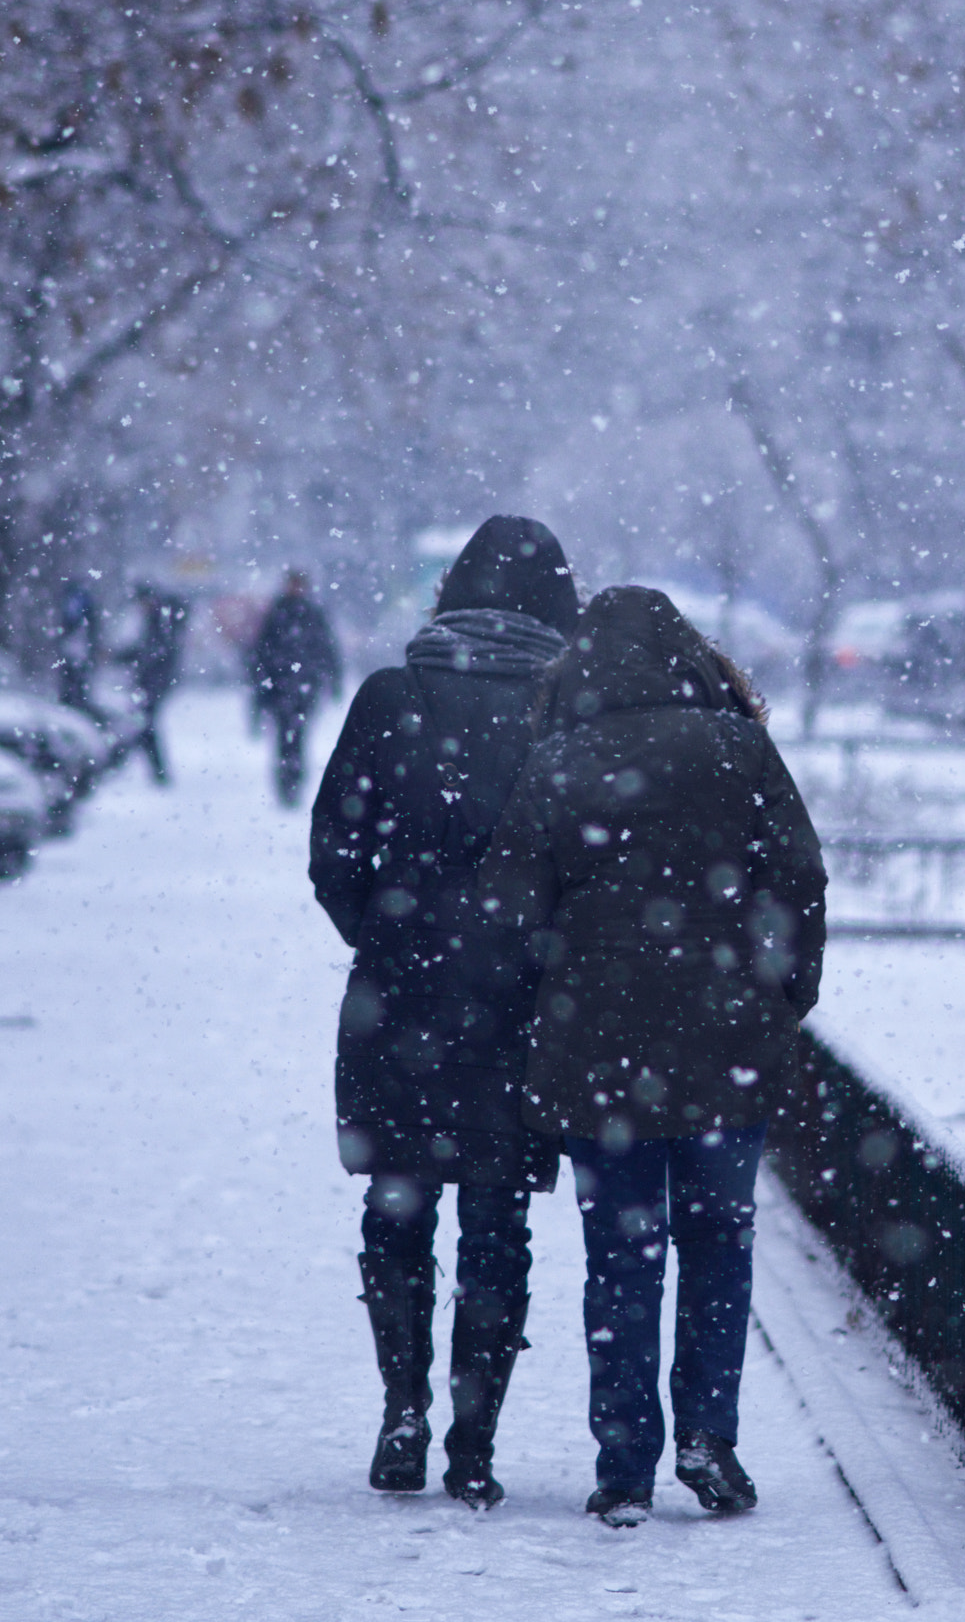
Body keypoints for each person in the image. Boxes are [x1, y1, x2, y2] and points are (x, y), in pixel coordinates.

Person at [480, 586, 827, 1527]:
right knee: (718, 1240)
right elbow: (796, 875)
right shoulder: (737, 748)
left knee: (621, 1257)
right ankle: (709, 1436)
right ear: (690, 656)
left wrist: (550, 995)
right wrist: (783, 997)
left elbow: (510, 910)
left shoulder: (556, 760)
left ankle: (624, 1462)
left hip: (598, 1054)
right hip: (726, 1041)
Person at [309, 516, 580, 1507]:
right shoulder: (567, 707)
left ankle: (401, 1408)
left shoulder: (392, 695)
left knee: (398, 1207)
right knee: (498, 1222)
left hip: (402, 995)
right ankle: (474, 1438)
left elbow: (334, 848)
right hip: (521, 1002)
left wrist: (384, 932)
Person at [249, 572, 342, 805]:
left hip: (303, 687)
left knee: (295, 736)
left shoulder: (310, 613)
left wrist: (332, 679)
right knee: (287, 736)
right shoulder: (279, 613)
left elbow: (327, 648)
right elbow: (261, 652)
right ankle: (288, 783)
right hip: (284, 687)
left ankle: (292, 782)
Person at [118, 583, 189, 784]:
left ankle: (154, 769)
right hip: (154, 680)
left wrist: (124, 658)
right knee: (143, 723)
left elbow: (152, 652)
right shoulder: (160, 619)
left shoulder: (159, 621)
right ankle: (155, 769)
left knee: (143, 723)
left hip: (154, 681)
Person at [56, 579, 102, 720]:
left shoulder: (74, 601)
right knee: (77, 684)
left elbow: (70, 622)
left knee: (72, 683)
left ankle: (72, 709)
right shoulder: (83, 601)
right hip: (79, 650)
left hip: (75, 649)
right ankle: (75, 708)